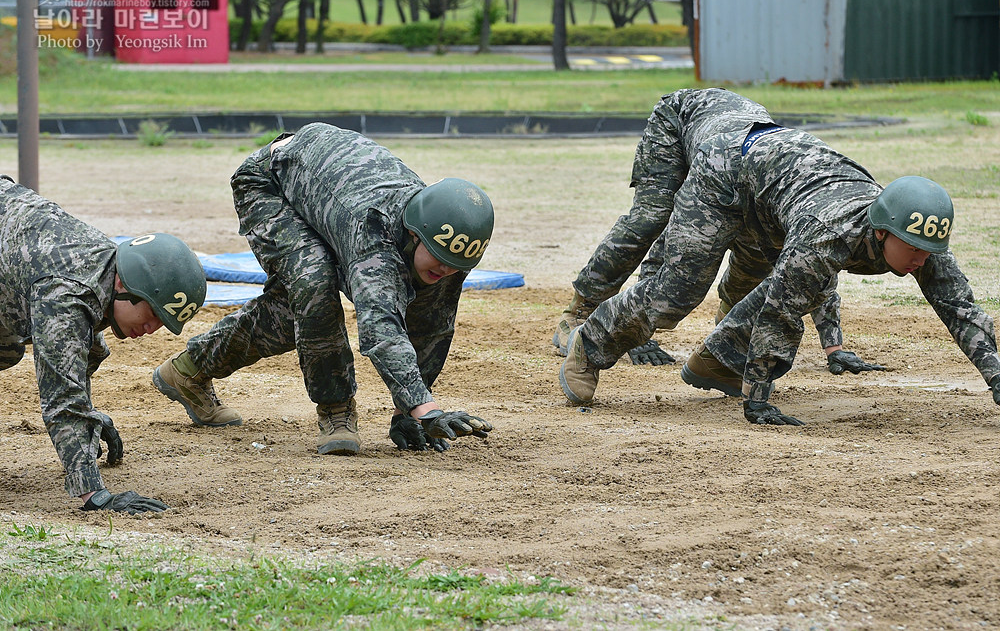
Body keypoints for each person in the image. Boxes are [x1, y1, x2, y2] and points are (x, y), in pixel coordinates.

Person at [559, 90, 1000, 425]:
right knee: (679, 290)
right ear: (881, 230)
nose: (924, 259)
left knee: (775, 279)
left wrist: (996, 378)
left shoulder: (918, 235)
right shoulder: (830, 232)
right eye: (916, 250)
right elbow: (785, 309)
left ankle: (717, 360)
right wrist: (759, 400)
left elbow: (962, 310)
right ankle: (589, 345)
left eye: (930, 251)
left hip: (777, 196)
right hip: (726, 173)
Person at [153, 123, 494, 455]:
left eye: (456, 265)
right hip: (270, 182)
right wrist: (425, 408)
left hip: (328, 191)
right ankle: (335, 409)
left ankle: (188, 370)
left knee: (289, 313)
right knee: (313, 287)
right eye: (437, 257)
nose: (446, 269)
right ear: (415, 233)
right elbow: (381, 329)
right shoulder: (373, 232)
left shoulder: (447, 247)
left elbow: (432, 322)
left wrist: (408, 413)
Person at [553, 88, 882, 379]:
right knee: (653, 217)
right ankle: (582, 308)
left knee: (758, 250)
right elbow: (677, 247)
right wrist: (640, 329)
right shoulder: (757, 171)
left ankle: (729, 324)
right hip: (683, 125)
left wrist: (833, 346)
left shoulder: (807, 201)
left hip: (741, 156)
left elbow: (815, 265)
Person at [0, 175, 206, 514]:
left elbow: (83, 350)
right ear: (127, 285)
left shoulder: (107, 265)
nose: (152, 328)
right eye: (152, 313)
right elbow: (62, 397)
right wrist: (94, 495)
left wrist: (88, 418)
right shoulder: (66, 293)